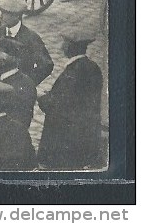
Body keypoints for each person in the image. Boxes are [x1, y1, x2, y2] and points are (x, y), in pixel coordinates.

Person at [37, 26, 103, 169]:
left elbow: (57, 106)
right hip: (85, 135)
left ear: (70, 46)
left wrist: (42, 97)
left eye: (64, 43)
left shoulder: (72, 73)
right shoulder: (93, 67)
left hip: (66, 141)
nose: (61, 46)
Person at [0, 0, 54, 85]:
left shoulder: (31, 38)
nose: (0, 16)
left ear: (17, 16)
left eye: (5, 13)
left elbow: (46, 65)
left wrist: (29, 83)